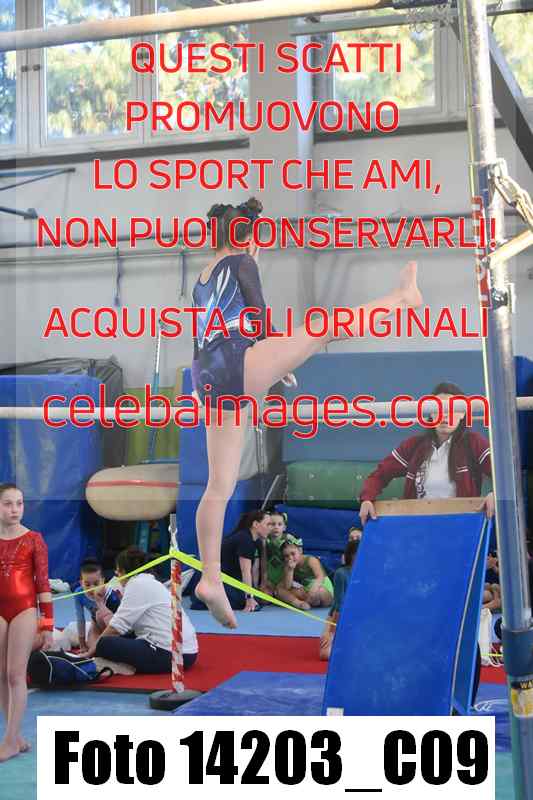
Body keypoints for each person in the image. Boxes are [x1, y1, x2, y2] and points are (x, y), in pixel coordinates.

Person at [190, 197, 423, 627]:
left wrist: (275, 363)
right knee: (324, 327)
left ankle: (210, 577)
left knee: (218, 484)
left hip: (208, 373)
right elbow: (258, 317)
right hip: (239, 362)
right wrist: (274, 355)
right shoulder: (242, 263)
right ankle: (402, 297)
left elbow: (210, 334)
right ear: (246, 237)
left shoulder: (202, 277)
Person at [358, 381, 494, 525]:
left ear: (462, 413)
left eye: (451, 409)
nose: (444, 415)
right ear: (430, 412)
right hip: (418, 523)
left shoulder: (473, 443)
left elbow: (502, 476)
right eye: (438, 409)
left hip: (460, 524)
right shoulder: (414, 445)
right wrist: (367, 499)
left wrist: (494, 495)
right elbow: (380, 474)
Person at [0, 483, 53, 762]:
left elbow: (43, 585)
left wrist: (47, 625)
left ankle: (9, 742)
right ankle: (15, 736)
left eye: (19, 503)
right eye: (8, 504)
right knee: (1, 675)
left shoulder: (34, 539)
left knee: (15, 675)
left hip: (24, 610)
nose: (15, 510)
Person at [83, 547, 198, 674]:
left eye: (118, 572)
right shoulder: (150, 582)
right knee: (115, 637)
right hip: (187, 653)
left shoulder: (136, 585)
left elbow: (116, 627)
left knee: (105, 643)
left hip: (173, 654)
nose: (117, 576)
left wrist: (91, 651)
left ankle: (121, 666)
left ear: (123, 571)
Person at [193, 510, 272, 613]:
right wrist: (249, 598)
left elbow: (254, 569)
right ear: (256, 524)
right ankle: (202, 598)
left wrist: (255, 590)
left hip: (230, 579)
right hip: (212, 580)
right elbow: (245, 572)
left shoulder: (256, 541)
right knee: (245, 601)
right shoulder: (245, 540)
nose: (271, 528)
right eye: (268, 524)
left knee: (260, 599)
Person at [320, 538, 359, 661]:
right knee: (325, 654)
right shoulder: (341, 573)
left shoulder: (367, 574)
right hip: (337, 617)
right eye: (357, 554)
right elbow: (338, 605)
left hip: (358, 617)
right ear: (351, 555)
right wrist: (331, 632)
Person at [73, 558, 122, 653]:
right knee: (93, 649)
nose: (92, 588)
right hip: (96, 625)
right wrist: (82, 645)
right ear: (81, 583)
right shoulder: (79, 594)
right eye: (87, 584)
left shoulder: (110, 594)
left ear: (103, 581)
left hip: (113, 627)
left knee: (99, 614)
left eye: (96, 584)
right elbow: (80, 619)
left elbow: (118, 623)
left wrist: (100, 602)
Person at [277, 541, 333, 610]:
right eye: (286, 556)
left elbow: (320, 577)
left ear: (300, 551)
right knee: (279, 589)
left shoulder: (310, 560)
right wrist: (290, 570)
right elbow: (287, 587)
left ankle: (310, 601)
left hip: (321, 589)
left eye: (293, 554)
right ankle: (299, 604)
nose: (290, 558)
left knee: (320, 591)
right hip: (306, 592)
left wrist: (314, 589)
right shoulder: (288, 565)